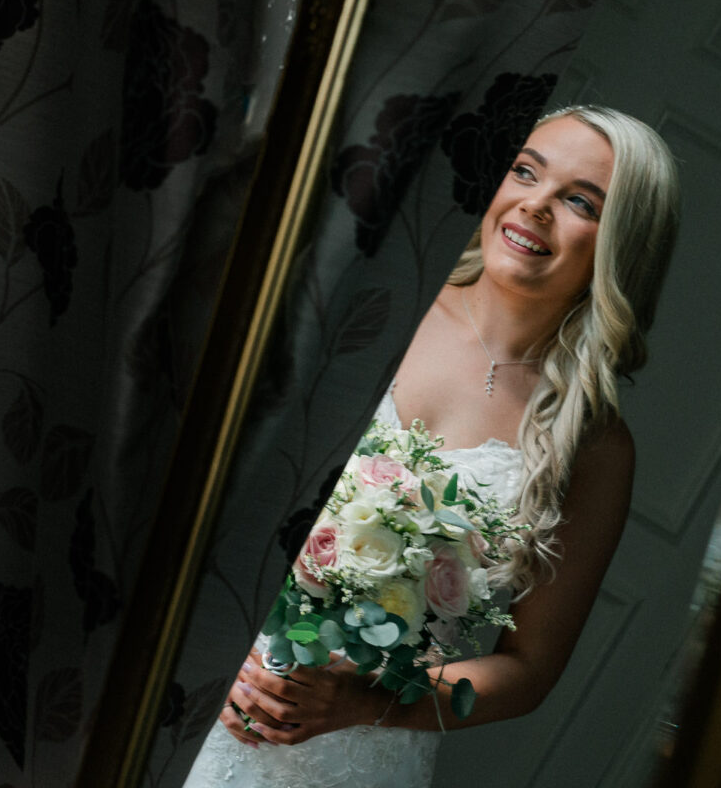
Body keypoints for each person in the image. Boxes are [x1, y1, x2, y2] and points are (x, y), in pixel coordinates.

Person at [182, 105, 680, 788]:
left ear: (625, 240)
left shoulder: (595, 444)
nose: (534, 205)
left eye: (579, 202)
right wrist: (212, 647)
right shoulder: (372, 303)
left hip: (357, 761)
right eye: (524, 171)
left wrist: (364, 700)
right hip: (204, 691)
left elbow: (527, 670)